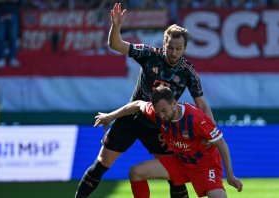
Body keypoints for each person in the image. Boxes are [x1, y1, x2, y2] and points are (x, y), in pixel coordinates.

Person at [75, 3, 215, 198]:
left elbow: (202, 105)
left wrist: (211, 132)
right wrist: (116, 26)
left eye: (178, 48)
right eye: (170, 47)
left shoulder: (187, 72)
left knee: (175, 176)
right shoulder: (149, 54)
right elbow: (116, 45)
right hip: (131, 118)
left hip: (161, 126)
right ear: (164, 43)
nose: (173, 53)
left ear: (185, 48)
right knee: (100, 164)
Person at [94, 86, 243, 198]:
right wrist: (111, 116)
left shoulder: (196, 119)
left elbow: (221, 143)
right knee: (136, 172)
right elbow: (138, 104)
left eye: (164, 110)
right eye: (158, 112)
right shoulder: (157, 113)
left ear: (174, 103)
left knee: (216, 196)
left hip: (203, 165)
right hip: (180, 162)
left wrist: (230, 175)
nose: (161, 115)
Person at [0, 0, 21, 68]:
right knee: (0, 37)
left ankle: (13, 58)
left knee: (13, 36)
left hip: (13, 13)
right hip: (0, 13)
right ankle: (1, 58)